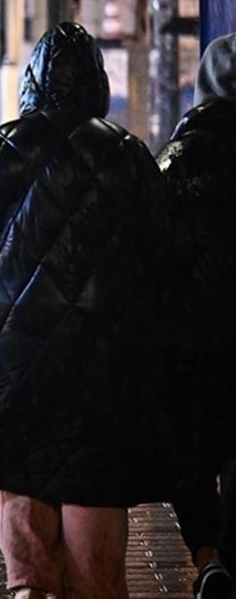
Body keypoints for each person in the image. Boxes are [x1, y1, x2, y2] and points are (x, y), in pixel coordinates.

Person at [0, 23, 178, 598]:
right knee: (91, 466)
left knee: (18, 458)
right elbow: (165, 251)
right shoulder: (126, 153)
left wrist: (0, 303)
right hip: (103, 349)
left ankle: (30, 586)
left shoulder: (0, 149)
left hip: (13, 344)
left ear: (32, 82)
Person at [158, 32, 236, 599]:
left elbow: (151, 246)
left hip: (193, 330)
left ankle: (207, 553)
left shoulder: (178, 157)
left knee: (190, 446)